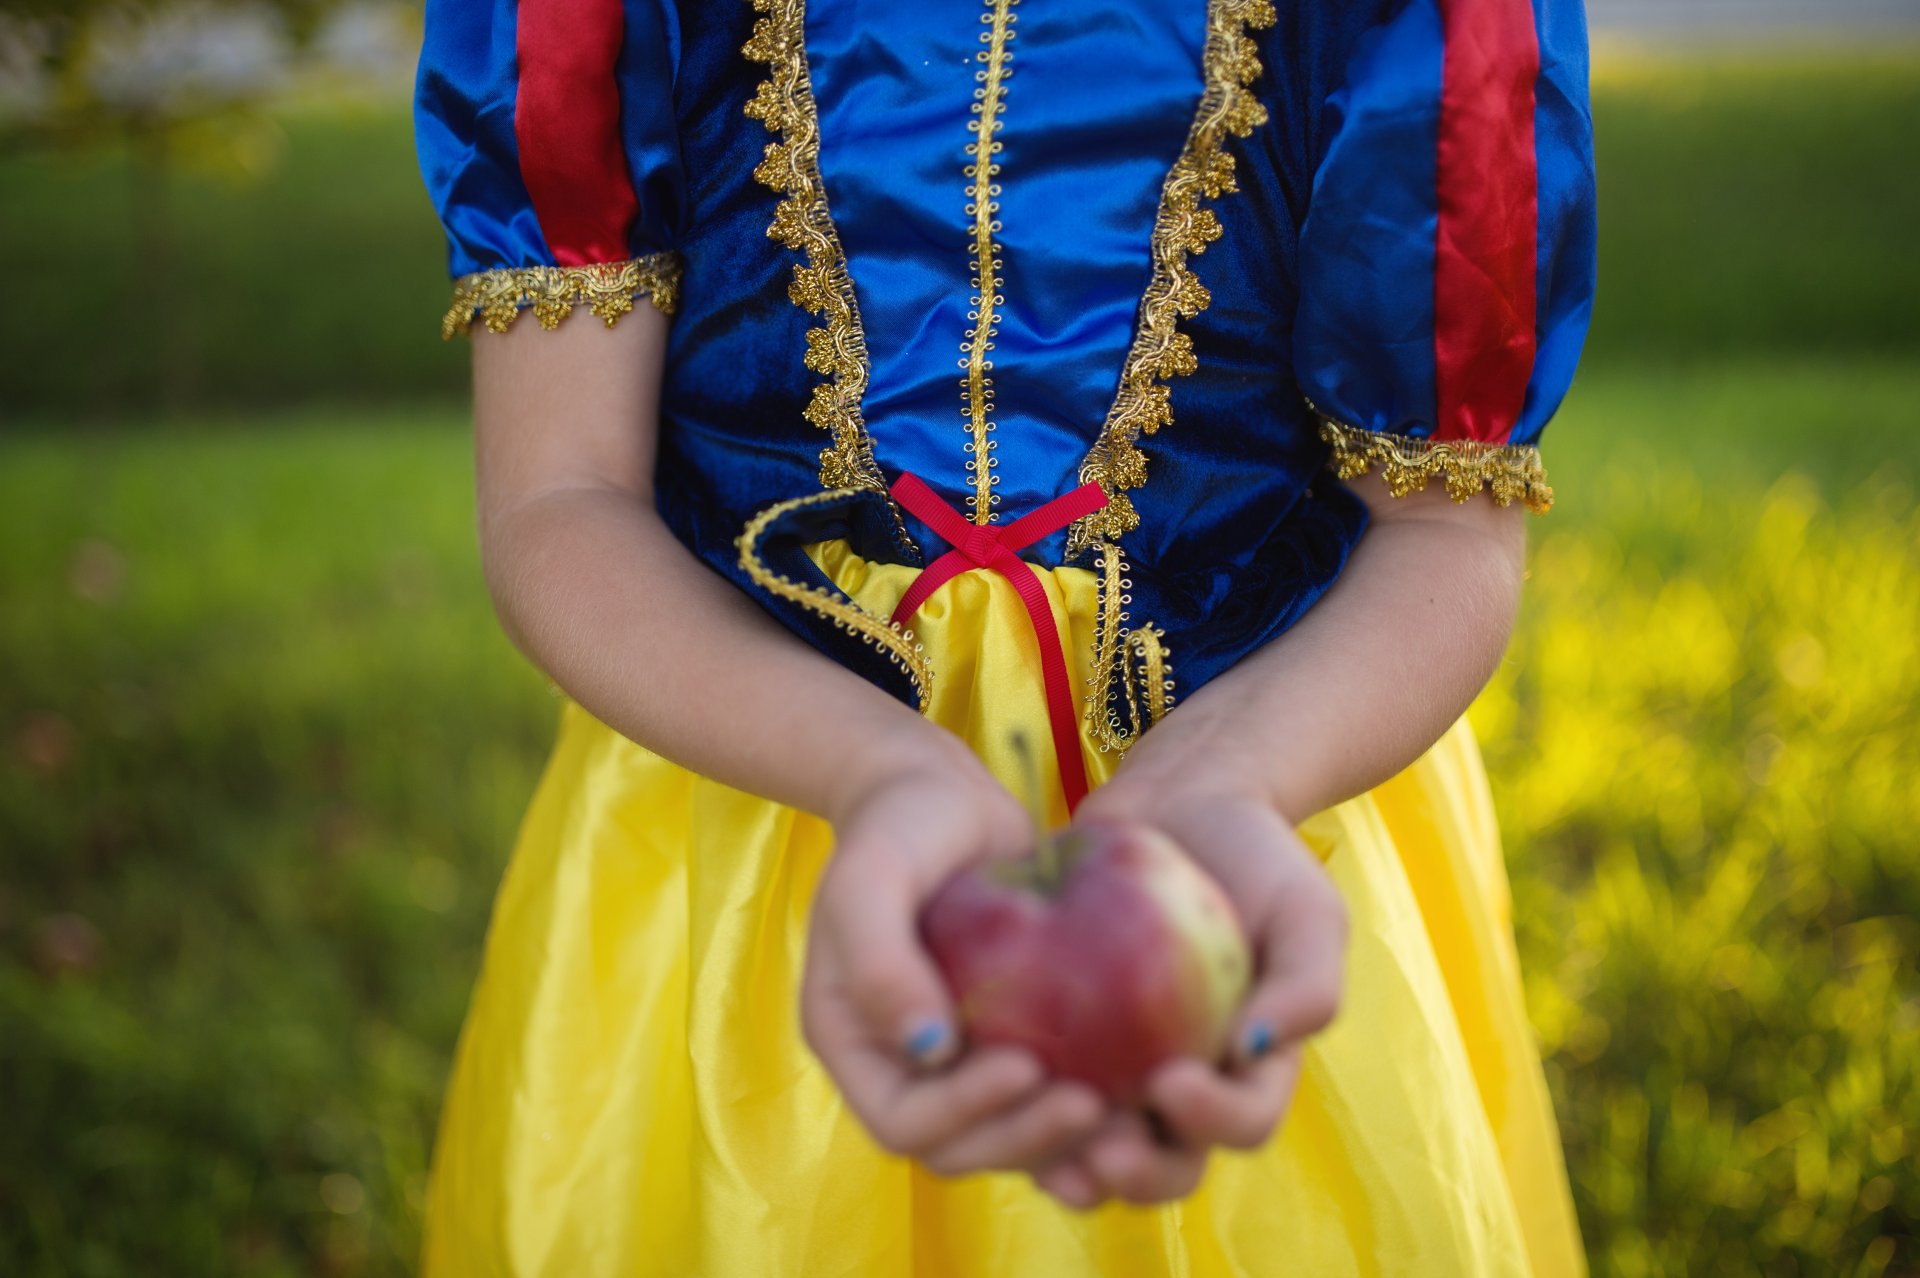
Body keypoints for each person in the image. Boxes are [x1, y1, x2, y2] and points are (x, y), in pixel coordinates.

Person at [413, 0, 1595, 1272]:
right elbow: (558, 495)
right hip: (750, 774)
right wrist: (871, 768)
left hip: (1260, 777)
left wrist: (1230, 787)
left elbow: (1446, 533)